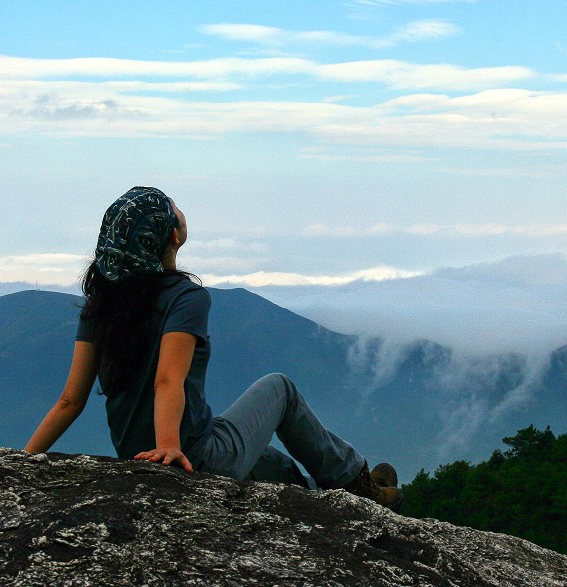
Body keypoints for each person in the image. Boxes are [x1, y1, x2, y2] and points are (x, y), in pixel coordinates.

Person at [25, 186, 401, 510]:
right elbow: (167, 381)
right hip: (190, 458)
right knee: (280, 389)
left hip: (140, 456)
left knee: (271, 462)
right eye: (172, 209)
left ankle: (328, 502)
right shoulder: (185, 298)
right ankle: (356, 485)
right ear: (171, 236)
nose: (178, 209)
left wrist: (22, 461)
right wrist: (170, 448)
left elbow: (69, 401)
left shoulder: (101, 304)